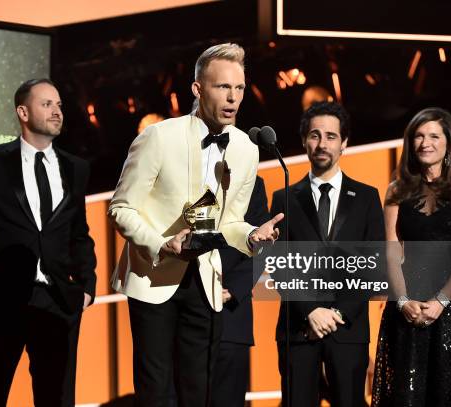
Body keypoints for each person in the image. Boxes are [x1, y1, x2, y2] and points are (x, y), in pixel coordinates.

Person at [108, 43, 282, 407]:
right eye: (222, 87)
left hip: (206, 277)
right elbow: (121, 209)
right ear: (198, 89)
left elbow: (230, 221)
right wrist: (162, 243)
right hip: (154, 274)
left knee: (198, 389)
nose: (233, 98)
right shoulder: (158, 137)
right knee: (156, 391)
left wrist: (251, 234)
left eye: (239, 89)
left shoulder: (247, 149)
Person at [0, 78, 96, 407]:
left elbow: (78, 233)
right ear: (22, 112)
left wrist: (86, 288)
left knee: (57, 397)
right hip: (2, 300)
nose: (57, 111)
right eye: (47, 104)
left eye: (59, 105)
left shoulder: (76, 167)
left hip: (59, 301)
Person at [372, 107, 451, 406]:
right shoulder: (396, 190)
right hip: (410, 309)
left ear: (448, 143)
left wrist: (442, 301)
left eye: (433, 135)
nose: (425, 142)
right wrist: (403, 301)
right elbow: (391, 251)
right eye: (418, 136)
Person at [271, 101, 384, 407]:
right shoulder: (282, 197)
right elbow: (278, 264)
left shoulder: (367, 197)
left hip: (348, 329)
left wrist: (337, 313)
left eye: (331, 136)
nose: (322, 144)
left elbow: (372, 266)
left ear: (344, 142)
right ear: (304, 141)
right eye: (315, 135)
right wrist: (310, 310)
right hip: (298, 329)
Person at [211, 176, 270, 407]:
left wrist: (231, 290)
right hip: (183, 312)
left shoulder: (253, 182)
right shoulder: (184, 168)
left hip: (231, 317)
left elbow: (263, 246)